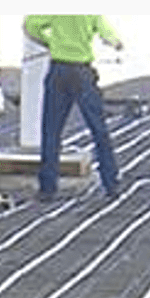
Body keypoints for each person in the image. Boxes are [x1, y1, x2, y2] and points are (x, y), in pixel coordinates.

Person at [23, 13, 124, 200]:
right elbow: (107, 33)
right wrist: (115, 42)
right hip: (82, 72)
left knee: (51, 131)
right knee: (99, 129)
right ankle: (111, 183)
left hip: (59, 70)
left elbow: (29, 25)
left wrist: (50, 42)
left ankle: (47, 188)